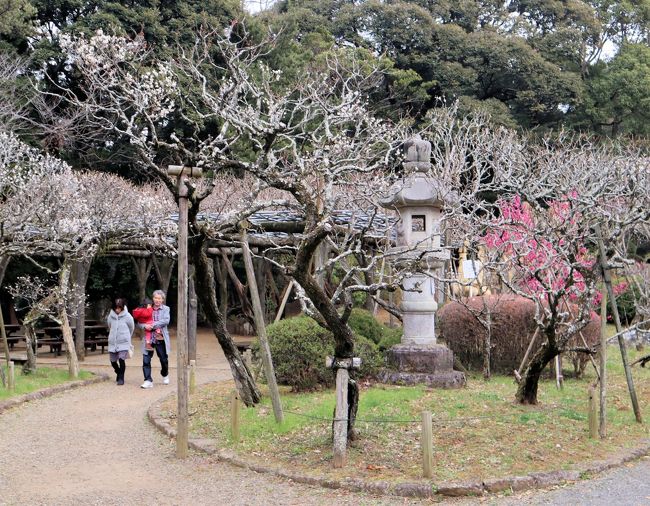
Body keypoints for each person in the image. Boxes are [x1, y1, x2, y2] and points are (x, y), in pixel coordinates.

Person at [139, 289, 171, 389]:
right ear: (153, 299)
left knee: (163, 359)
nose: (157, 300)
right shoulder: (147, 308)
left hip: (160, 338)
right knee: (146, 360)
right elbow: (139, 322)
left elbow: (166, 320)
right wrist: (145, 326)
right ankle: (148, 380)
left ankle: (164, 373)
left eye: (159, 298)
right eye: (155, 298)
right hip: (148, 339)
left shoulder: (166, 309)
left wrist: (152, 325)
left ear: (162, 300)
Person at [106, 298, 134, 386]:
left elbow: (131, 327)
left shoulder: (128, 316)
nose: (117, 309)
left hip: (124, 341)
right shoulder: (110, 316)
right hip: (113, 341)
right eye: (116, 308)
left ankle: (121, 378)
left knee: (122, 359)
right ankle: (118, 371)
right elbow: (109, 326)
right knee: (113, 361)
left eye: (119, 308)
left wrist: (126, 336)